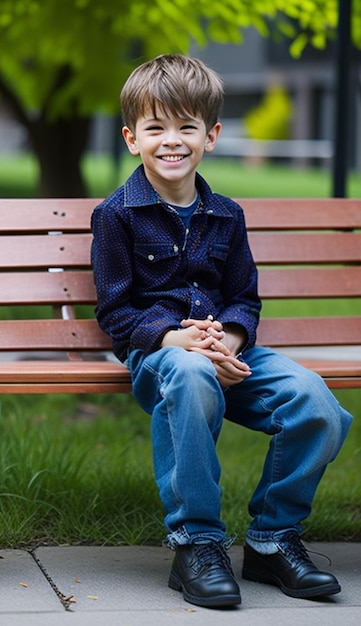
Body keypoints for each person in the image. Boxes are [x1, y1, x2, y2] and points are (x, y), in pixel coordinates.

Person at [90, 54, 353, 609]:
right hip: (162, 360)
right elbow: (115, 313)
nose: (171, 141)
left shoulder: (227, 215)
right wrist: (176, 340)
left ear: (210, 135)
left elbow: (244, 298)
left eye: (186, 127)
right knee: (188, 373)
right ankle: (197, 546)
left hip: (229, 353)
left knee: (316, 405)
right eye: (155, 128)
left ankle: (272, 540)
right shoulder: (116, 216)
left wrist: (230, 339)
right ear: (131, 138)